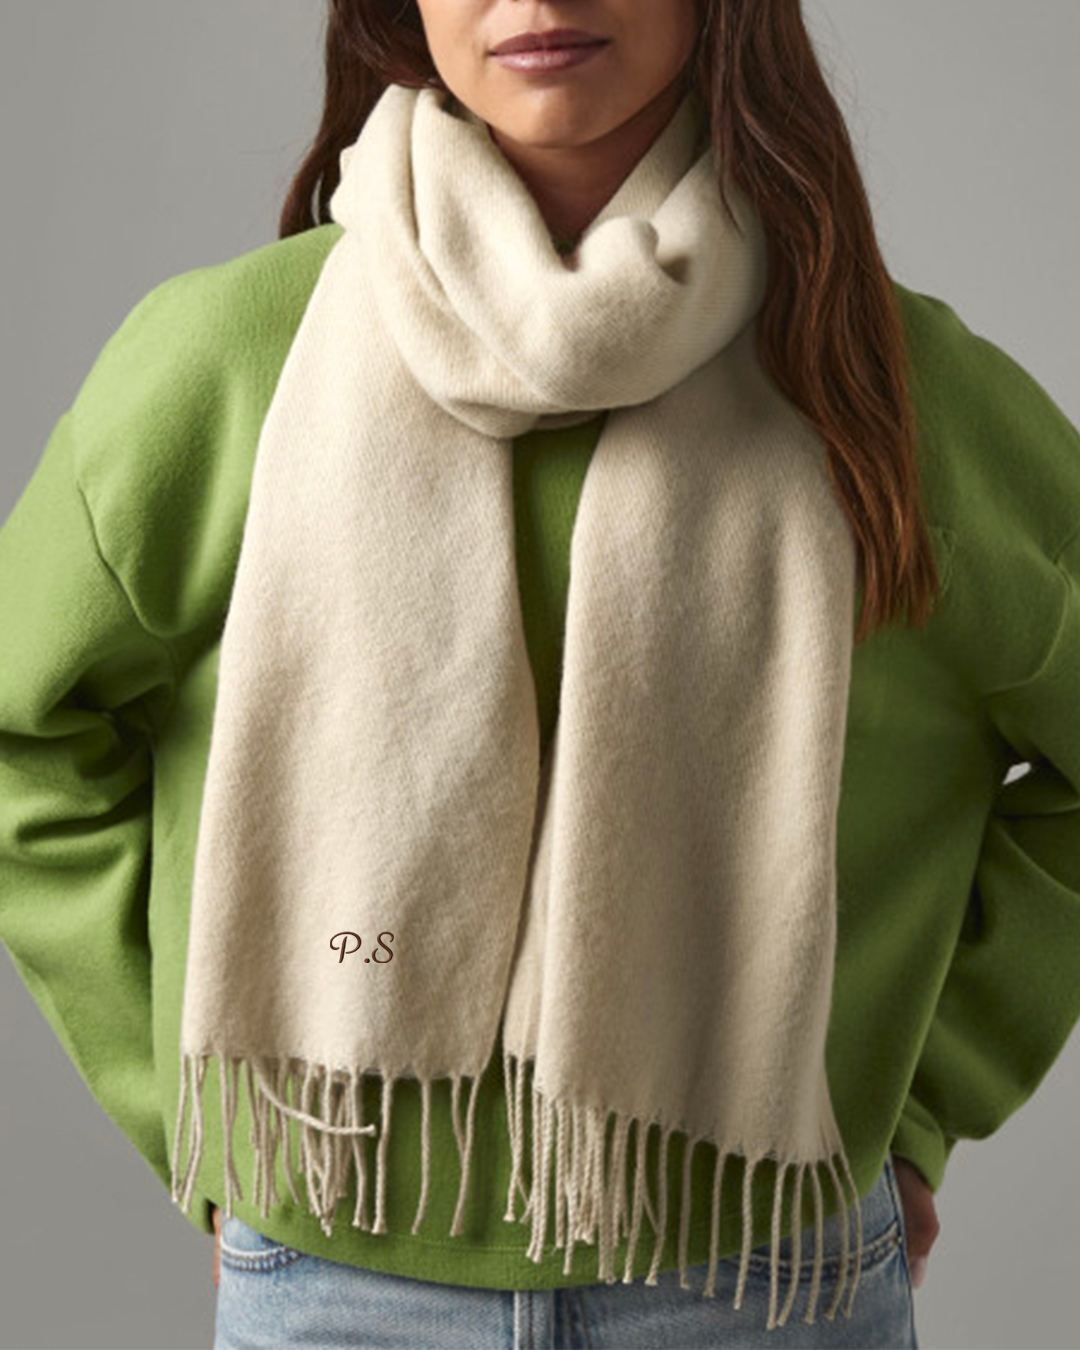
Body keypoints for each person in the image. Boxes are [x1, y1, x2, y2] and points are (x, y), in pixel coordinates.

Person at [2, 2, 1079, 1347]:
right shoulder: (231, 362)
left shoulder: (882, 392)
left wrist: (918, 1099)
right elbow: (23, 734)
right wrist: (189, 1100)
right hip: (339, 1287)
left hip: (758, 1285)